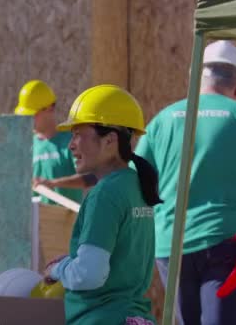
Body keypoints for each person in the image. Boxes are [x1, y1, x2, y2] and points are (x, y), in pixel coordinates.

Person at [135, 40, 236, 325]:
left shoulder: (162, 121)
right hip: (227, 243)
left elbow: (137, 180)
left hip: (171, 246)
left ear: (195, 77)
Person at [39, 84, 162, 324]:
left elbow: (90, 274)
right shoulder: (135, 185)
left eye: (78, 134)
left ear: (110, 140)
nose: (71, 145)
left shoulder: (105, 193)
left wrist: (58, 269)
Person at [14, 80, 96, 205]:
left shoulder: (71, 142)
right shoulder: (28, 147)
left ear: (50, 109)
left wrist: (53, 183)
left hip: (67, 220)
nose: (29, 120)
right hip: (37, 221)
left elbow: (91, 177)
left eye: (32, 114)